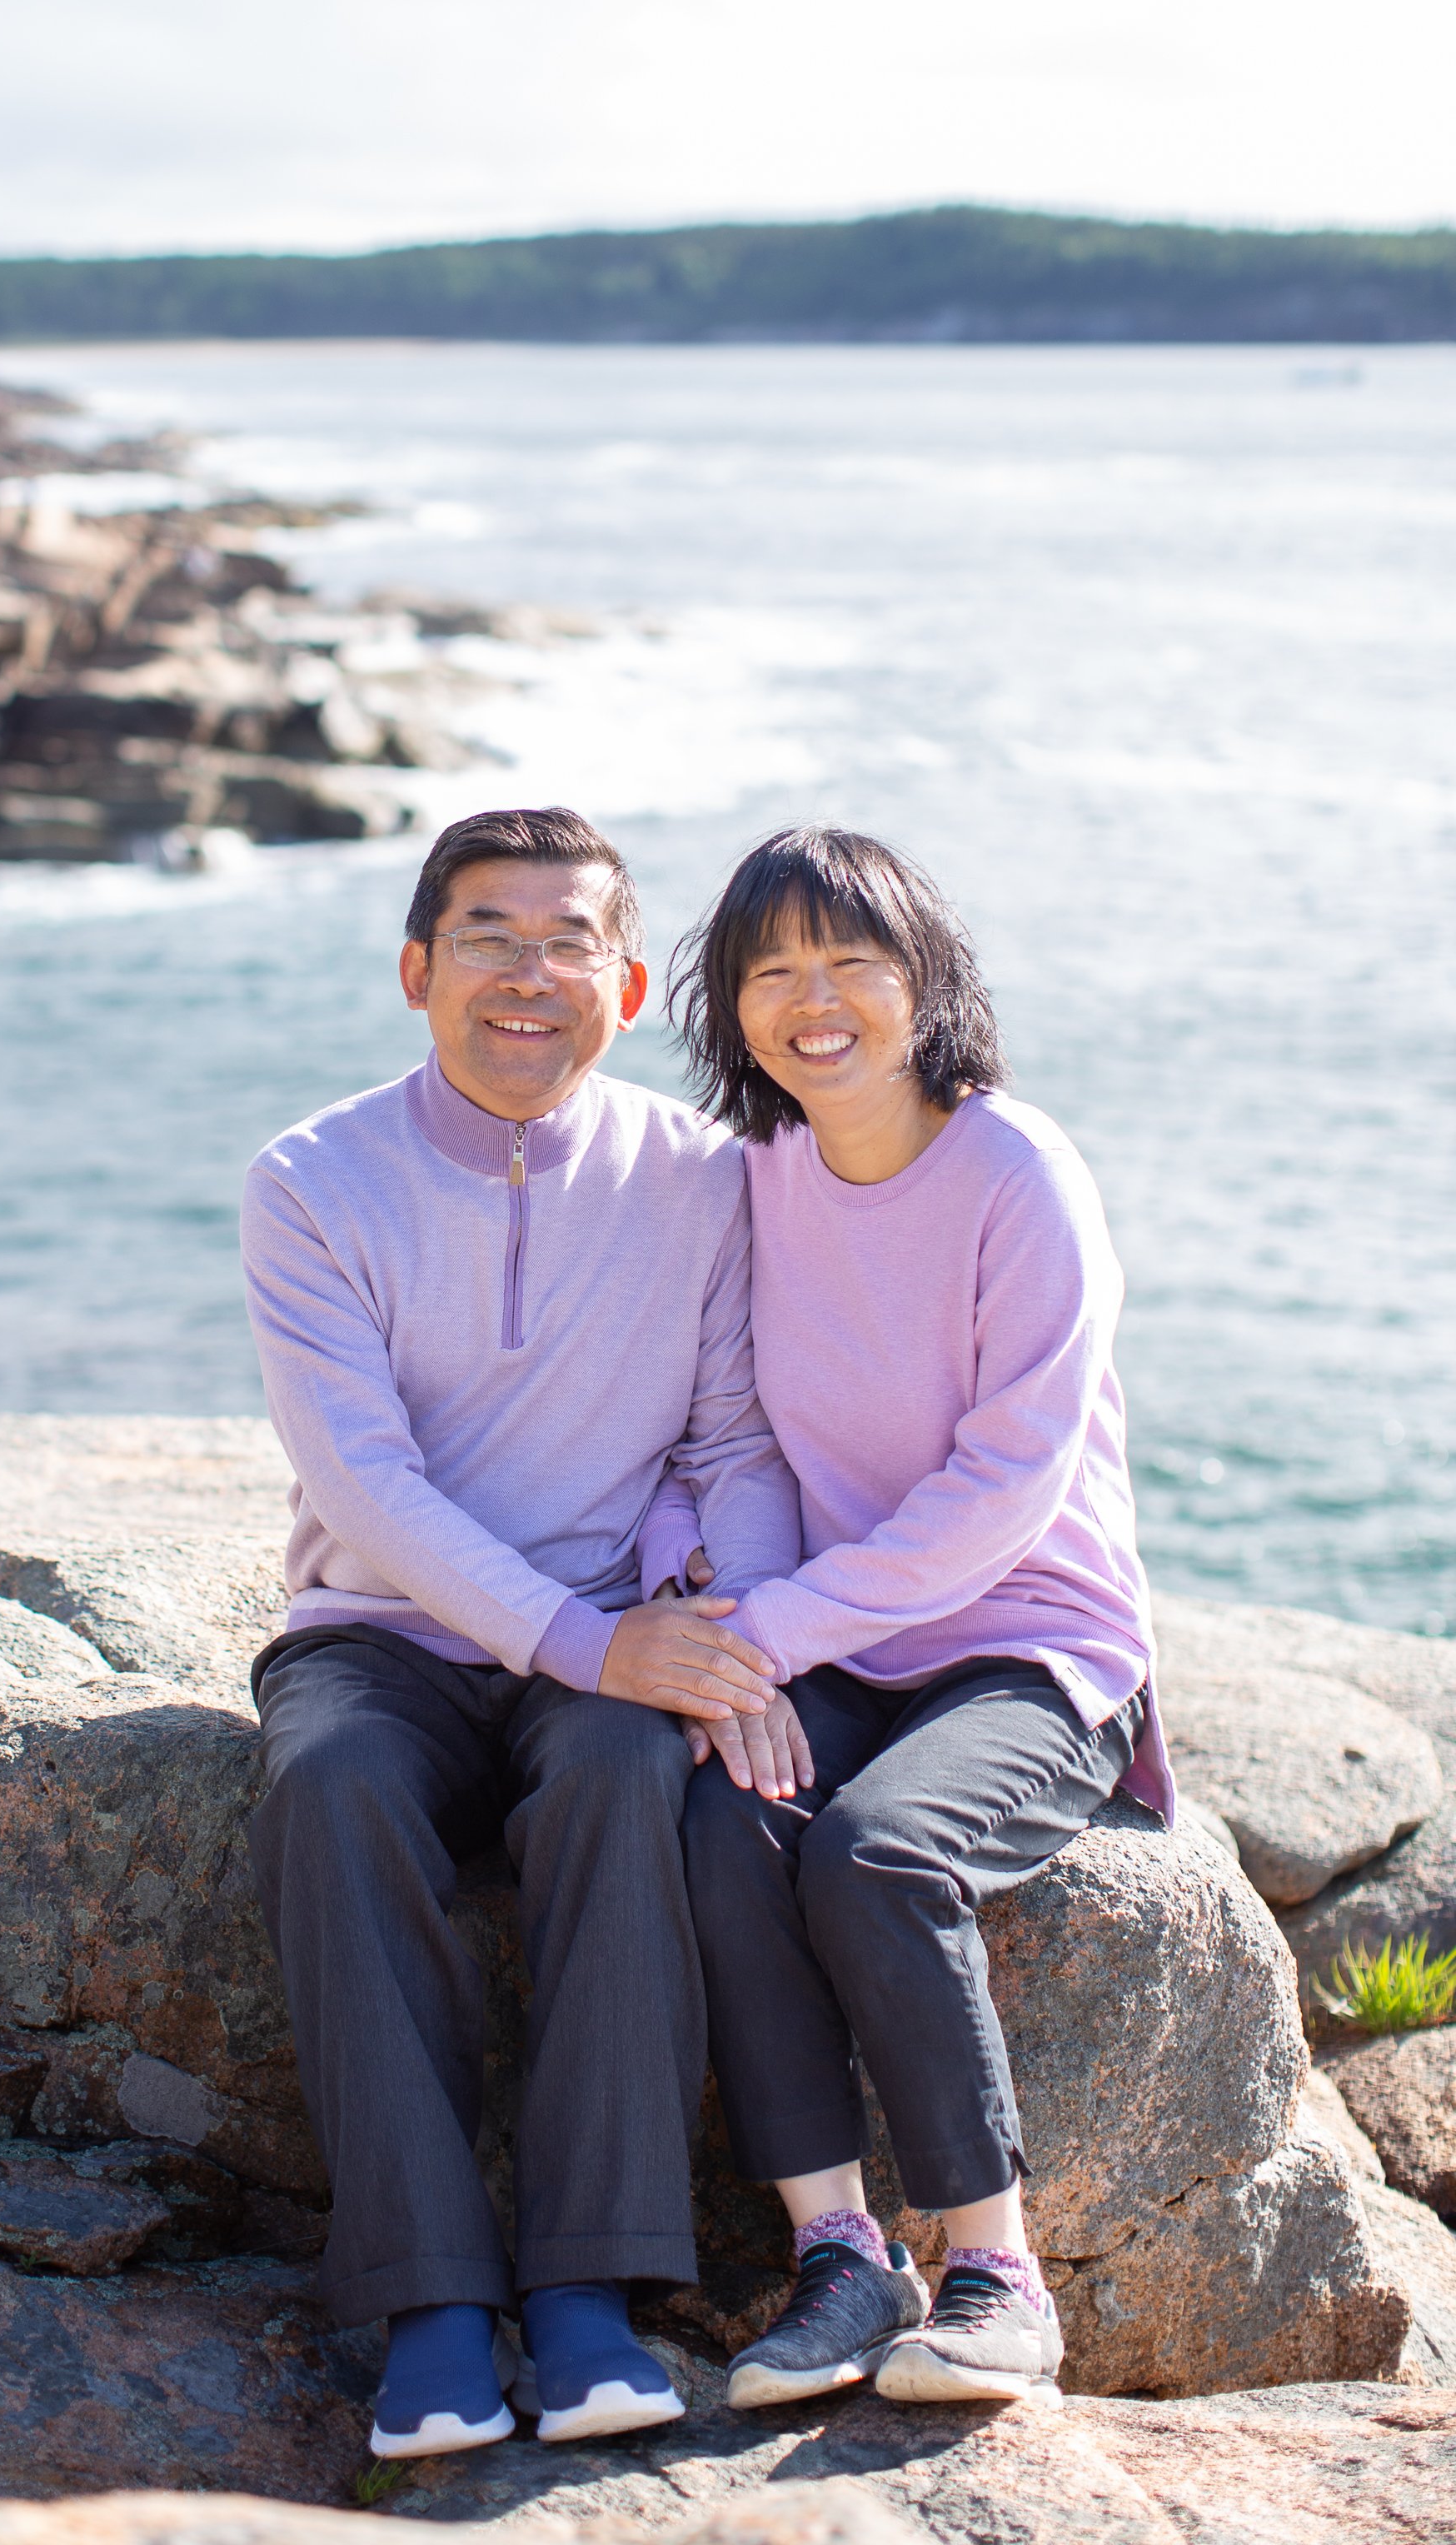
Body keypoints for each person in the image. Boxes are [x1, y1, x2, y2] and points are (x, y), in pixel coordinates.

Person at [241, 805, 801, 2461]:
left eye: (570, 945)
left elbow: (736, 1446)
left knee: (636, 1778)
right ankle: (429, 2301)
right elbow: (364, 1477)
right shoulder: (311, 1181)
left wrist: (728, 1645)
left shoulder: (702, 1179)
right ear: (419, 969)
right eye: (491, 936)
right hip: (381, 1638)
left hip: (615, 1646)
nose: (529, 974)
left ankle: (589, 2288)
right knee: (329, 1787)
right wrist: (585, 1638)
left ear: (626, 989)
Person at [649, 824, 1174, 2409]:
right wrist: (710, 1598)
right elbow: (693, 1425)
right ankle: (840, 2260)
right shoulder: (753, 1177)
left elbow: (1008, 1485)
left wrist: (776, 1630)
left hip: (1036, 1642)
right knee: (723, 1817)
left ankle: (997, 2277)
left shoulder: (1018, 1170)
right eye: (771, 969)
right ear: (732, 1009)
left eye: (850, 960)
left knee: (877, 1847)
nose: (815, 1000)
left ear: (923, 979)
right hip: (838, 1640)